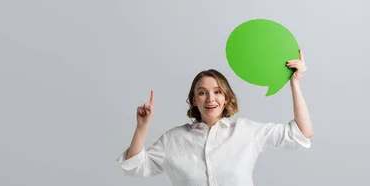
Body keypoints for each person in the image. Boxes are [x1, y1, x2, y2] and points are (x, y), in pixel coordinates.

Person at [116, 49, 313, 186]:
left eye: (217, 92)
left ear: (226, 98)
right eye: (202, 93)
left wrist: (295, 84)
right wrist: (142, 127)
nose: (210, 98)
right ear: (194, 100)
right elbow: (135, 166)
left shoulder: (246, 131)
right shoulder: (173, 140)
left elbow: (302, 133)